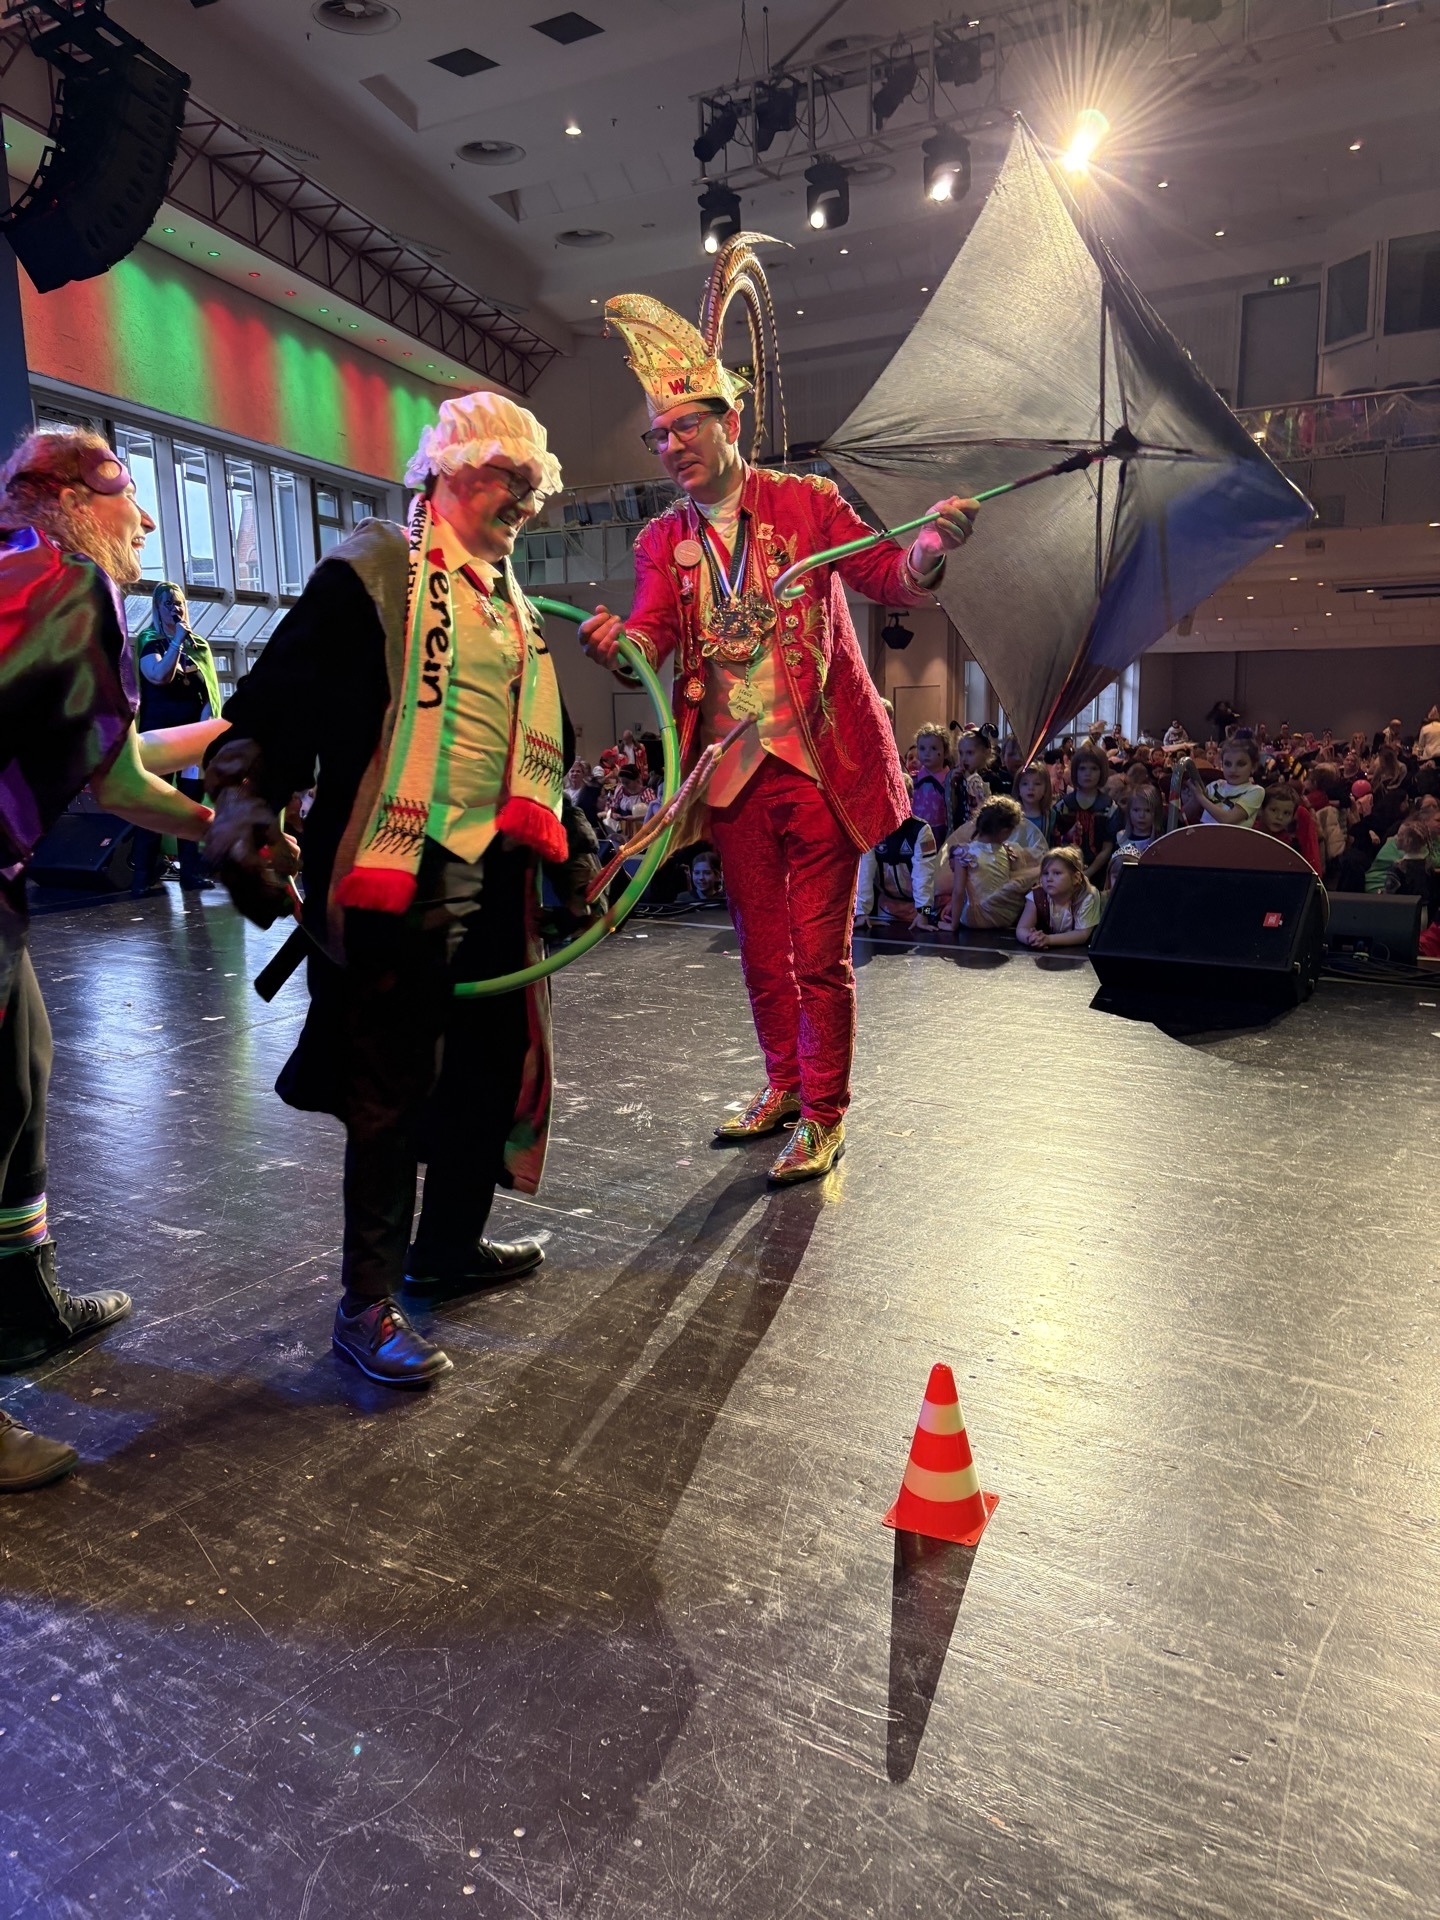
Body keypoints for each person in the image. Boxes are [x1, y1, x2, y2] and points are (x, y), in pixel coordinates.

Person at [205, 391, 596, 1388]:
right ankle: (365, 1304)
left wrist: (575, 853)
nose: (525, 502)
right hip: (396, 867)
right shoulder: (374, 574)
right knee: (389, 1090)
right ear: (449, 472)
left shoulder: (509, 604)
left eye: (532, 487)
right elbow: (271, 710)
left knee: (488, 1065)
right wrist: (247, 813)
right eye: (508, 479)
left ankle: (448, 1249)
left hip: (497, 874)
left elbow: (539, 749)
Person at [580, 274, 977, 1183]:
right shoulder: (660, 541)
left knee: (820, 955)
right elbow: (650, 634)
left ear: (729, 420)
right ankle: (785, 1087)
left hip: (819, 764)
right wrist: (617, 647)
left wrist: (927, 549)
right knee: (763, 950)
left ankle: (826, 1113)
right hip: (730, 776)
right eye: (658, 435)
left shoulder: (807, 504)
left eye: (684, 426)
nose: (671, 446)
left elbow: (886, 574)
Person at [0, 427, 215, 1489]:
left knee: (21, 1076)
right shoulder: (75, 585)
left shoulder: (24, 579)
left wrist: (230, 730)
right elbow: (121, 788)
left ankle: (24, 1305)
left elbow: (114, 753)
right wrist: (230, 829)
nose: (147, 521)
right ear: (77, 499)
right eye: (131, 497)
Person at [130, 581, 222, 893]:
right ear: (157, 609)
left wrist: (204, 733)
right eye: (168, 603)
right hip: (159, 741)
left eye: (179, 603)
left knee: (189, 805)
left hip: (191, 742)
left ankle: (190, 873)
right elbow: (158, 676)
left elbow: (209, 694)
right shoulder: (150, 641)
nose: (175, 608)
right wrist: (177, 643)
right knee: (155, 806)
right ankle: (143, 875)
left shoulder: (199, 646)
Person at [943, 796, 1039, 931]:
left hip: (975, 919)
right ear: (1005, 831)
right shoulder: (1008, 851)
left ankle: (925, 912)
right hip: (1006, 916)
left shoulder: (964, 853)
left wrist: (953, 925)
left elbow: (958, 892)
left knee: (935, 907)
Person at [855, 791, 939, 931]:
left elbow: (924, 875)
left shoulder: (921, 830)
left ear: (910, 801)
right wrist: (861, 913)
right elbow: (864, 872)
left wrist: (924, 913)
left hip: (916, 912)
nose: (893, 806)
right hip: (886, 909)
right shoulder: (871, 827)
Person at [1052, 740, 1120, 884]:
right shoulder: (1063, 806)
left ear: (1102, 772)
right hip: (1064, 872)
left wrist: (1087, 874)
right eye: (1082, 769)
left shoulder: (1109, 807)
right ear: (1075, 772)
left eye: (1094, 769)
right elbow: (1054, 841)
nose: (1088, 773)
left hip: (1098, 875)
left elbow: (1107, 848)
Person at [1016, 846, 1100, 950]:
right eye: (1045, 873)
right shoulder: (1036, 896)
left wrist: (1048, 940)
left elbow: (1082, 934)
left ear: (1076, 878)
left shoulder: (1086, 896)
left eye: (1057, 873)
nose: (1049, 879)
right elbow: (1022, 928)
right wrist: (1031, 938)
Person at [1188, 734, 1265, 826]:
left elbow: (1228, 819)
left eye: (1240, 764)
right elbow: (1186, 814)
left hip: (1230, 835)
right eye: (1228, 764)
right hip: (1204, 833)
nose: (1233, 770)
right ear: (1222, 765)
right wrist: (1195, 794)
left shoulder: (1255, 791)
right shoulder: (1215, 785)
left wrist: (1200, 797)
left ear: (1253, 767)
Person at [1254, 782, 1321, 871]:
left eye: (1286, 813)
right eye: (1274, 810)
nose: (1279, 817)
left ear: (1293, 816)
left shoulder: (1292, 845)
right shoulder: (1251, 834)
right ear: (1262, 810)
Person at [909, 724, 950, 844]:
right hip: (916, 835)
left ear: (945, 752)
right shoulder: (913, 780)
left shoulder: (950, 780)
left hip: (941, 837)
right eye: (922, 748)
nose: (927, 753)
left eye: (933, 748)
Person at [1012, 761, 1054, 854]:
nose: (1031, 788)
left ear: (1046, 789)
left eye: (1037, 783)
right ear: (1018, 788)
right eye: (1025, 783)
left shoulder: (1051, 816)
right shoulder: (1011, 815)